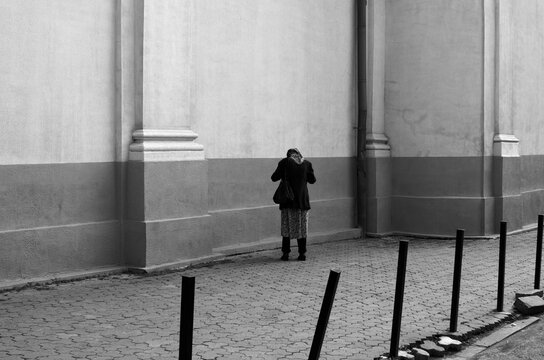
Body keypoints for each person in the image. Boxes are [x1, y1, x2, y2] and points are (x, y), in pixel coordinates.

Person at [271, 148, 316, 261]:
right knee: (302, 229)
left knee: (286, 228)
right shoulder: (307, 164)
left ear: (288, 156)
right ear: (299, 154)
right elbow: (312, 180)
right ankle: (302, 254)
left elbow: (274, 177)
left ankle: (285, 254)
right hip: (302, 202)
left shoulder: (284, 163)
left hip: (287, 201)